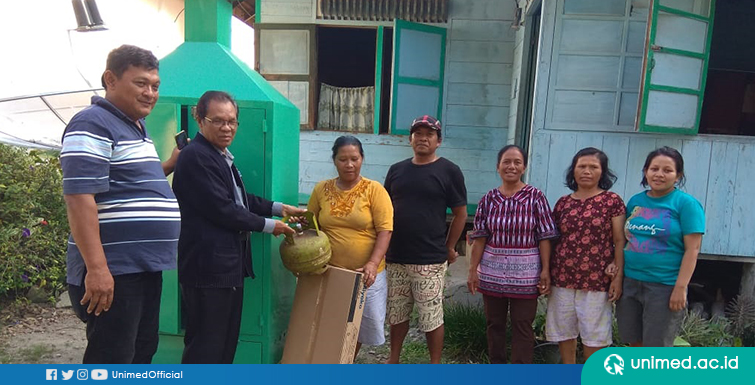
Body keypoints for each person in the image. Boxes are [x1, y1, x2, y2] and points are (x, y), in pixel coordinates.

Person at [61, 45, 182, 364]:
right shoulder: (92, 122)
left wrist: (168, 164)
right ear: (110, 80)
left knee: (141, 352)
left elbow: (132, 182)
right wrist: (98, 269)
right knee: (112, 358)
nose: (150, 93)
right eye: (141, 83)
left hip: (142, 266)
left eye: (155, 86)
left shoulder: (135, 128)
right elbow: (78, 196)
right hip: (114, 268)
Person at [171, 91, 304, 364]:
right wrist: (271, 226)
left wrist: (279, 208)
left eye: (232, 121)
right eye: (218, 121)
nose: (227, 127)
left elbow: (240, 199)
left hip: (226, 269)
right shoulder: (196, 156)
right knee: (206, 347)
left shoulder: (219, 155)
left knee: (224, 344)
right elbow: (223, 210)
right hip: (207, 271)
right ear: (199, 119)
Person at [383, 115, 467, 364]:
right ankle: (393, 359)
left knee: (431, 316)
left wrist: (449, 247)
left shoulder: (449, 170)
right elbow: (385, 209)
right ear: (410, 139)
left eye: (429, 134)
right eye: (417, 133)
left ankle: (434, 365)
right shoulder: (397, 170)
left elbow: (460, 214)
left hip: (429, 259)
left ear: (438, 141)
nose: (422, 138)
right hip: (396, 256)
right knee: (397, 313)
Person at [467, 145, 558, 364]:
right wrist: (473, 270)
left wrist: (545, 270)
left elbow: (545, 237)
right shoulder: (489, 199)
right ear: (498, 167)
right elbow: (480, 238)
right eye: (506, 161)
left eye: (517, 162)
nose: (511, 166)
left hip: (526, 276)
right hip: (492, 273)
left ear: (524, 167)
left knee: (523, 325)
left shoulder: (536, 197)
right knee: (494, 324)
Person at [307, 135, 393, 359]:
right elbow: (309, 225)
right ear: (334, 160)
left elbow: (385, 230)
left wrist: (373, 263)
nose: (349, 164)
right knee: (330, 322)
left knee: (360, 326)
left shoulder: (374, 190)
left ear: (362, 158)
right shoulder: (321, 190)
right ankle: (331, 363)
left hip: (365, 274)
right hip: (329, 271)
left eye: (354, 158)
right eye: (343, 159)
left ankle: (346, 361)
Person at [616, 146, 705, 347]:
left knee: (656, 347)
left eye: (667, 170)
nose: (659, 174)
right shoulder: (636, 201)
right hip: (630, 283)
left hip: (664, 286)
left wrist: (680, 288)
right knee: (633, 342)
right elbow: (626, 239)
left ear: (678, 175)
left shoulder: (686, 204)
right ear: (646, 171)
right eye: (654, 169)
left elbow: (693, 249)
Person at [546, 147, 626, 364]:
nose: (587, 171)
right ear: (573, 170)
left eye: (593, 167)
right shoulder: (563, 203)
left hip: (596, 279)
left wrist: (617, 276)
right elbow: (553, 240)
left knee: (595, 335)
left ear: (603, 172)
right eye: (582, 166)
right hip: (562, 278)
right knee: (564, 331)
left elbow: (620, 241)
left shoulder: (612, 201)